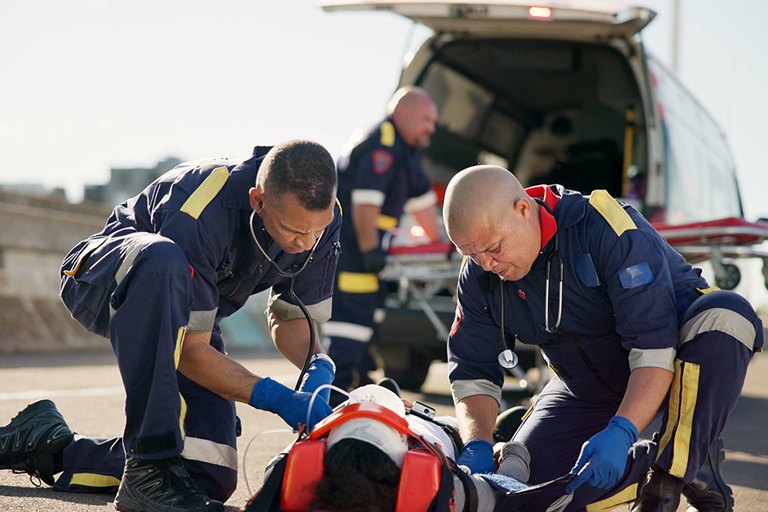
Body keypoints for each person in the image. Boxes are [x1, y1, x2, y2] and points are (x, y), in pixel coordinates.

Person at [0, 140, 343, 512]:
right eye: (293, 230)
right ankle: (148, 469)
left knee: (207, 471)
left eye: (316, 232)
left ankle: (48, 445)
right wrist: (276, 397)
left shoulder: (320, 218)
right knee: (164, 259)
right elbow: (191, 351)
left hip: (187, 314)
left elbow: (292, 318)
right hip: (112, 278)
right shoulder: (203, 208)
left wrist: (317, 365)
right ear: (257, 200)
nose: (305, 242)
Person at [441, 165, 763, 512]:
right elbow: (473, 369)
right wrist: (476, 445)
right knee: (525, 497)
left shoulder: (607, 229)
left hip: (669, 364)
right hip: (584, 387)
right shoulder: (479, 273)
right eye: (472, 254)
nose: (486, 264)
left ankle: (666, 481)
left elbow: (653, 348)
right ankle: (690, 460)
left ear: (523, 209)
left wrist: (622, 431)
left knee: (727, 316)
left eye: (493, 248)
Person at [245, 384, 534, 512]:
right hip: (442, 429)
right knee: (506, 427)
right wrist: (505, 451)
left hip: (419, 422)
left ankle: (389, 391)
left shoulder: (291, 477)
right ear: (402, 447)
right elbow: (508, 486)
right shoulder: (440, 490)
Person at [324, 86, 443, 393]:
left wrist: (445, 244)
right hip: (351, 251)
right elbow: (365, 206)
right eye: (426, 119)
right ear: (401, 114)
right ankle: (336, 388)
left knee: (370, 314)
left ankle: (360, 382)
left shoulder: (408, 151)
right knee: (351, 321)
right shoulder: (381, 146)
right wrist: (371, 252)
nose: (432, 127)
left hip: (369, 253)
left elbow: (425, 208)